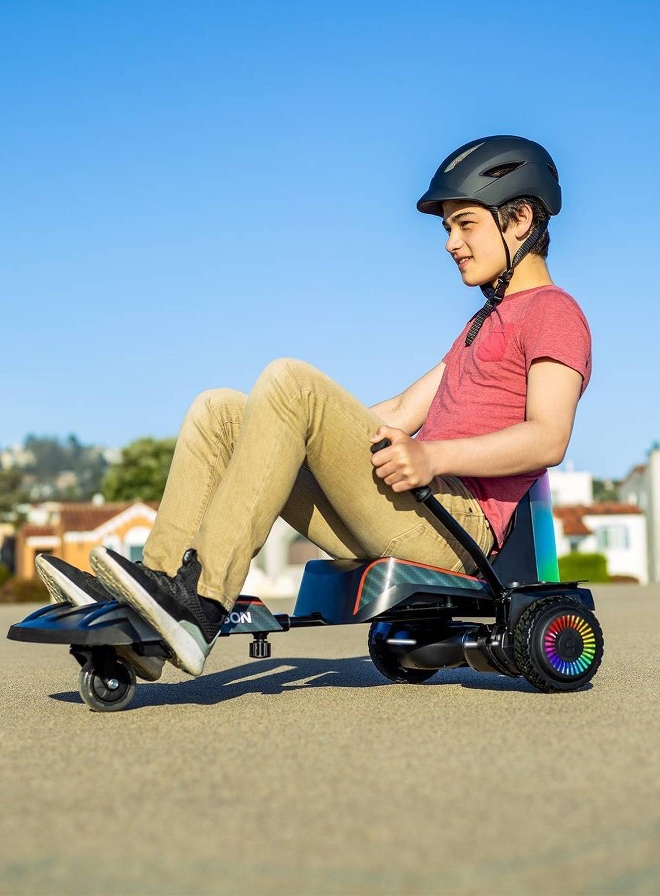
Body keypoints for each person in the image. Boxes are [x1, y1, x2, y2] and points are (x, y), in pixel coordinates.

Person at [37, 134, 591, 679]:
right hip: (410, 508)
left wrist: (432, 458)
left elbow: (549, 438)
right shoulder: (480, 325)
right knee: (221, 411)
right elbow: (398, 409)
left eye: (465, 223)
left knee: (291, 381)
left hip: (455, 525)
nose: (450, 241)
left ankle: (201, 602)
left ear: (519, 220)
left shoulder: (553, 312)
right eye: (447, 228)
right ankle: (154, 592)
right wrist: (305, 432)